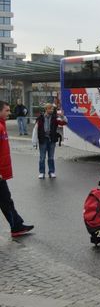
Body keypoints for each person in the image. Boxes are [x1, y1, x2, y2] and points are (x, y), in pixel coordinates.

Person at [0, 100, 34, 238]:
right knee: (6, 201)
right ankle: (17, 226)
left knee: (6, 201)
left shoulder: (2, 126)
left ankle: (17, 226)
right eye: (6, 110)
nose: (9, 113)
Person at [32, 103, 67, 179]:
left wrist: (62, 116)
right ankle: (41, 172)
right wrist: (34, 142)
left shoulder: (55, 118)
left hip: (52, 140)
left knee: (51, 157)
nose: (51, 110)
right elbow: (35, 130)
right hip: (43, 139)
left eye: (52, 109)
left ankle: (51, 172)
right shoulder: (40, 118)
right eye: (50, 109)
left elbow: (64, 123)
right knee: (42, 157)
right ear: (46, 109)